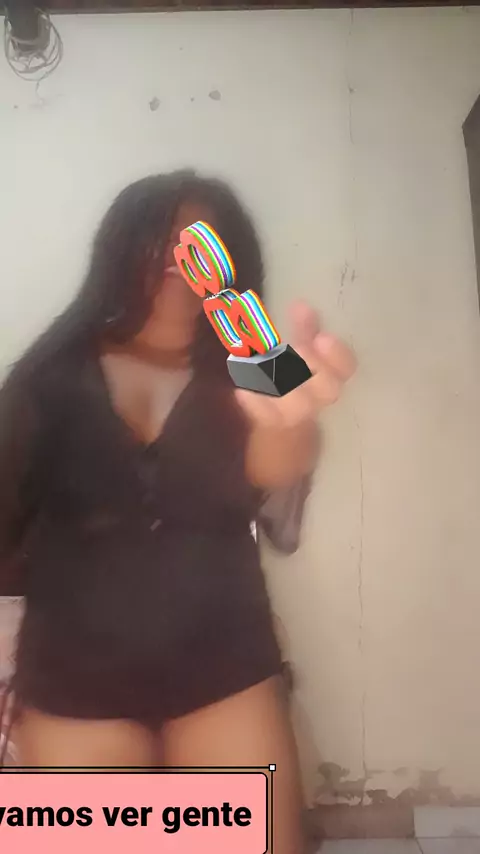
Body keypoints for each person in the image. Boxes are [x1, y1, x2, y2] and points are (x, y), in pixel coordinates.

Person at [0, 170, 355, 853]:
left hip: (225, 666)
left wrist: (294, 419)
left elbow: (282, 454)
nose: (180, 256)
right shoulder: (49, 374)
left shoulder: (256, 361)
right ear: (120, 249)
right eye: (162, 240)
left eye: (200, 242)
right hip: (73, 678)